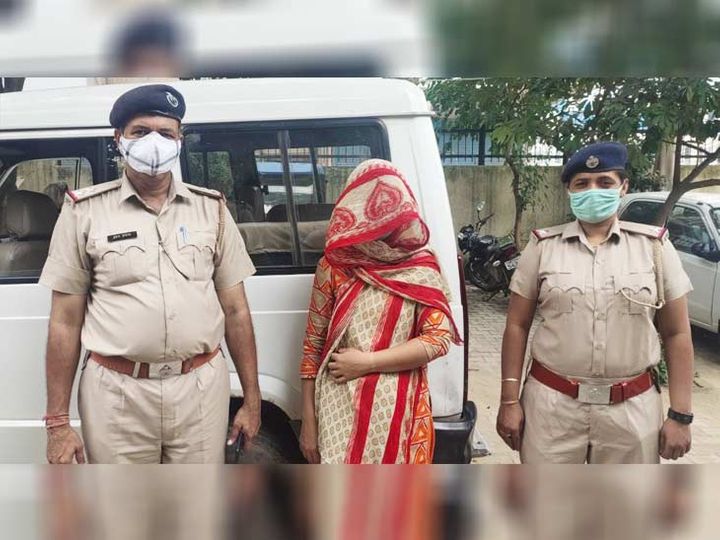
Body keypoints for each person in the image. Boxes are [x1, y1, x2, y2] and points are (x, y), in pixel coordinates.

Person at [40, 84, 261, 464]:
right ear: (119, 139)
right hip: (116, 393)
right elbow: (64, 321)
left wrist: (252, 400)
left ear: (180, 140)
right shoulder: (83, 212)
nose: (154, 143)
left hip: (200, 387)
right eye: (140, 132)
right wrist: (58, 422)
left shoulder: (211, 210)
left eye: (165, 133)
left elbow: (236, 311)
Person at [496, 141, 694, 464]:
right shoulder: (543, 247)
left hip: (632, 411)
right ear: (569, 190)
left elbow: (677, 333)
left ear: (623, 187)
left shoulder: (654, 248)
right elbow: (517, 325)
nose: (593, 191)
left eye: (605, 182)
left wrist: (681, 414)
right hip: (552, 408)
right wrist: (508, 400)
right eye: (582, 184)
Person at [298, 159, 462, 464]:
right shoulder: (334, 265)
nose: (384, 218)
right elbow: (313, 347)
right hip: (339, 415)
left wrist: (367, 363)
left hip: (402, 414)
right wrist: (308, 421)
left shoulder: (422, 267)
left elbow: (438, 339)